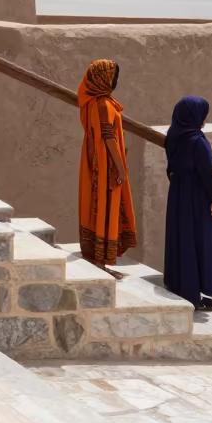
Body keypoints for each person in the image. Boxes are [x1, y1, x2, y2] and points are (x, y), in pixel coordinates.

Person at [77, 59, 137, 275]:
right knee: (104, 207)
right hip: (106, 165)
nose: (115, 80)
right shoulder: (102, 104)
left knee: (99, 206)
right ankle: (100, 262)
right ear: (104, 79)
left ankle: (98, 259)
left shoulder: (95, 102)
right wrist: (121, 168)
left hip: (99, 162)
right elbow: (108, 137)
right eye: (112, 76)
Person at [163, 96, 212, 311]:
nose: (204, 119)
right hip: (196, 196)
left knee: (182, 238)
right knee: (198, 240)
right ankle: (195, 295)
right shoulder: (197, 140)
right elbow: (206, 171)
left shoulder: (173, 136)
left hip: (178, 193)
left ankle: (184, 288)